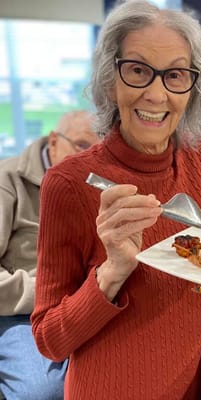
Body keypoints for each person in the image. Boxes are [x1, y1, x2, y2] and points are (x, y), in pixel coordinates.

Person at [31, 1, 201, 399]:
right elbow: (49, 340)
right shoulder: (68, 183)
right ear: (111, 80)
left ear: (193, 88)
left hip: (191, 383)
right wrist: (113, 271)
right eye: (138, 70)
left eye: (175, 75)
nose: (156, 94)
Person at [0, 110, 100, 400]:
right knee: (43, 393)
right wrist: (45, 294)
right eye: (82, 145)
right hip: (22, 311)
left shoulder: (97, 183)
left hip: (85, 303)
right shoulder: (8, 182)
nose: (90, 158)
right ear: (54, 141)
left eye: (99, 151)